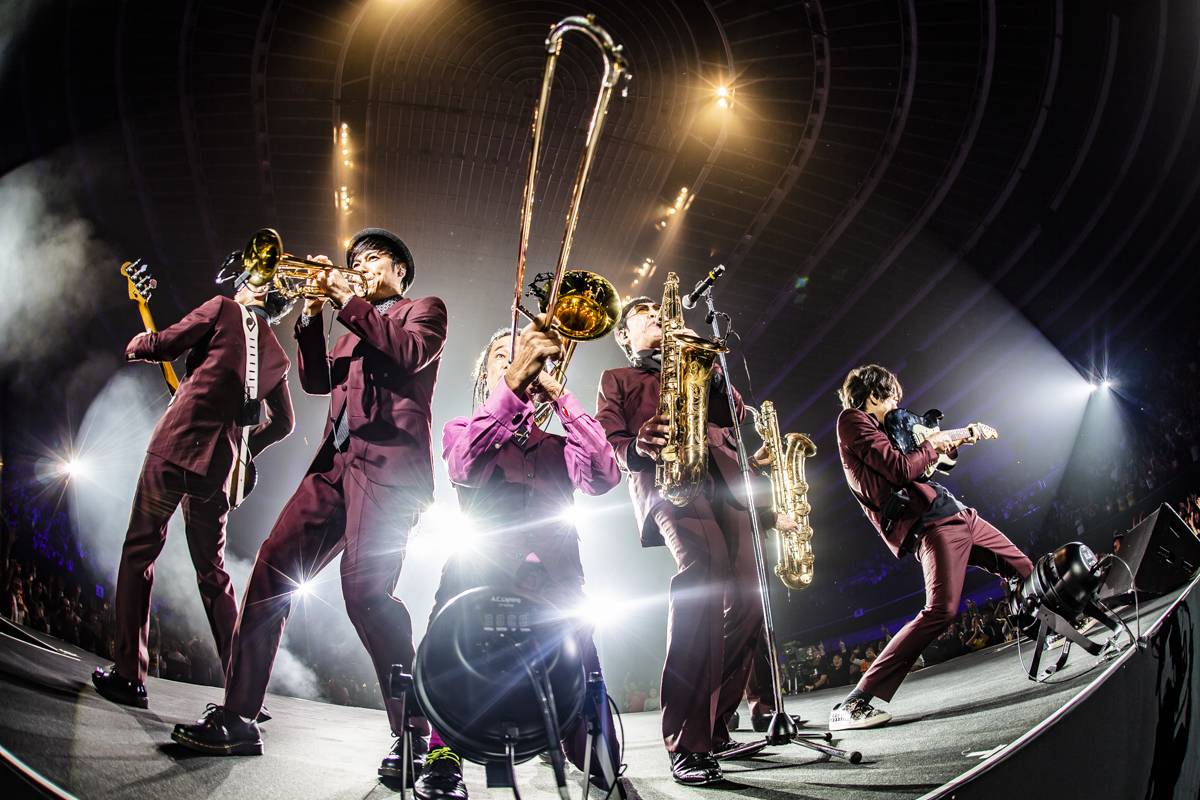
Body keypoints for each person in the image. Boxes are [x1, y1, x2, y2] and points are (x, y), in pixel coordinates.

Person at [171, 228, 447, 779]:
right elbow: (317, 381)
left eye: (371, 258)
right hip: (333, 467)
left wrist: (346, 301)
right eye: (355, 260)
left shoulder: (423, 310)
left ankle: (416, 733)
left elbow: (408, 355)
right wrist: (312, 314)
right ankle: (239, 716)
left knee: (366, 595)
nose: (360, 265)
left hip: (388, 469)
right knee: (271, 571)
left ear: (399, 269)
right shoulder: (350, 326)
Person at [594, 295, 799, 785]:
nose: (656, 317)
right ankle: (688, 740)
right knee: (703, 578)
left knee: (749, 602)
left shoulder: (696, 361)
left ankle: (716, 725)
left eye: (659, 311)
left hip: (728, 484)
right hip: (669, 481)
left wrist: (710, 365)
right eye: (643, 314)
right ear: (624, 335)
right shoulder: (617, 378)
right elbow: (609, 440)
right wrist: (638, 445)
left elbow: (735, 416)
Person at [413, 320, 621, 800]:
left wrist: (561, 397)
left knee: (583, 666)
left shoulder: (558, 444)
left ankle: (587, 748)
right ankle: (443, 751)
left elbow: (605, 476)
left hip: (555, 577)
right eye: (501, 359)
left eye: (524, 355)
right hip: (481, 570)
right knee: (453, 647)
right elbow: (463, 466)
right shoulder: (462, 429)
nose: (516, 362)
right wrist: (513, 384)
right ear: (486, 378)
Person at [92, 266, 295, 709]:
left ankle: (129, 676)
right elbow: (285, 423)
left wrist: (137, 343)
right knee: (214, 576)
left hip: (175, 446)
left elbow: (165, 344)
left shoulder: (222, 308)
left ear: (254, 288)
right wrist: (245, 449)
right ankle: (243, 694)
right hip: (217, 471)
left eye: (247, 278)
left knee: (139, 553)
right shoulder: (278, 355)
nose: (239, 284)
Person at [832, 364, 1033, 730]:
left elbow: (924, 465)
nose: (897, 405)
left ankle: (1051, 626)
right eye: (892, 397)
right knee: (941, 610)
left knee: (1023, 569)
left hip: (955, 512)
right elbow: (900, 469)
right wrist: (932, 444)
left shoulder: (886, 428)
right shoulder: (852, 420)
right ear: (873, 395)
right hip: (931, 523)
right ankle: (855, 701)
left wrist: (949, 443)